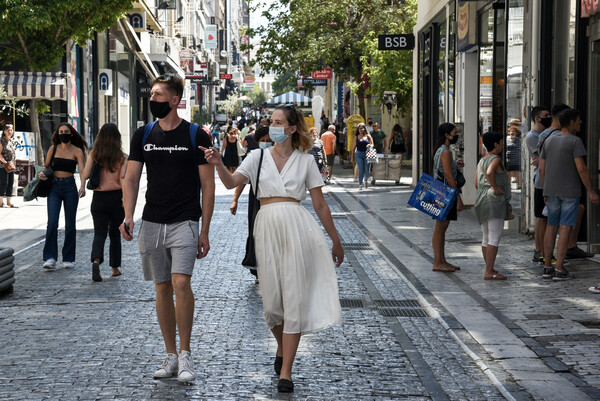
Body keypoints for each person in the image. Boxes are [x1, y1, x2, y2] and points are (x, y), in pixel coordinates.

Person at [200, 104, 343, 393]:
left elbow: (319, 204)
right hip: (265, 227)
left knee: (294, 299)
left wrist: (335, 239)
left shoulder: (305, 161)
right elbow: (231, 183)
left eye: (279, 122)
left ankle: (286, 372)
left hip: (297, 227)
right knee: (272, 305)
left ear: (292, 128)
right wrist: (217, 164)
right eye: (271, 121)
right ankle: (282, 348)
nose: (273, 125)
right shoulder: (257, 156)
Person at [120, 74, 215, 383]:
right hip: (152, 221)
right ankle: (171, 355)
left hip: (185, 220)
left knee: (180, 284)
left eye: (159, 95)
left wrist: (205, 230)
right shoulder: (142, 134)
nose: (153, 99)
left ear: (175, 100)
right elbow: (131, 178)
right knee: (161, 286)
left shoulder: (196, 135)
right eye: (152, 94)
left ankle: (186, 355)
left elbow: (208, 185)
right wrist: (128, 215)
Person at [539, 108, 599, 281]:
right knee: (565, 227)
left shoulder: (549, 141)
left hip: (551, 190)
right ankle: (559, 268)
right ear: (571, 122)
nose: (581, 123)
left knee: (551, 226)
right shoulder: (575, 141)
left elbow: (542, 168)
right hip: (569, 191)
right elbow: (581, 169)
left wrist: (545, 189)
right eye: (579, 120)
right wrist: (591, 191)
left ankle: (547, 266)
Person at [82, 123, 128, 282]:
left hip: (99, 199)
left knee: (99, 233)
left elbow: (86, 174)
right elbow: (123, 179)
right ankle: (115, 268)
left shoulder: (95, 154)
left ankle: (96, 260)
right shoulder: (122, 156)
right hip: (116, 198)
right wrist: (125, 199)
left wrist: (82, 185)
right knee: (115, 234)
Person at [40, 123, 88, 269]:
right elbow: (46, 166)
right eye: (61, 131)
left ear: (71, 133)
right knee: (52, 222)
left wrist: (82, 186)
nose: (63, 134)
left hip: (69, 187)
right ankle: (50, 257)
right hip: (54, 186)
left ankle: (68, 258)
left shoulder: (77, 151)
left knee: (70, 224)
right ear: (57, 133)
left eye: (66, 131)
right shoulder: (53, 149)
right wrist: (42, 174)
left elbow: (82, 169)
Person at [230, 126, 273, 281]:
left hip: (274, 200)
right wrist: (235, 200)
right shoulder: (255, 157)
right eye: (263, 141)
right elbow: (241, 180)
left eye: (269, 141)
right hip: (256, 199)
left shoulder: (280, 158)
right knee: (256, 234)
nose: (267, 143)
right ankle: (259, 270)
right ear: (258, 141)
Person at [474, 131, 511, 280]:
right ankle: (489, 271)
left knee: (486, 237)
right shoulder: (496, 158)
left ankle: (489, 268)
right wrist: (495, 188)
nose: (503, 145)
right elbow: (490, 172)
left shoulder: (482, 160)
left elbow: (476, 183)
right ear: (496, 144)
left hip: (481, 199)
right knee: (494, 237)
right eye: (501, 142)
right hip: (494, 201)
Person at [431, 123, 464, 272]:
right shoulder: (445, 151)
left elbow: (446, 170)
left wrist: (455, 165)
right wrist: (458, 197)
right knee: (440, 228)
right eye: (454, 133)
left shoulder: (441, 150)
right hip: (445, 192)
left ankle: (442, 260)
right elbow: (449, 176)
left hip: (440, 190)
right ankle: (438, 262)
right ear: (446, 134)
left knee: (441, 228)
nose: (455, 136)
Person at [524, 106, 551, 263]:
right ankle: (539, 250)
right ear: (537, 118)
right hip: (540, 179)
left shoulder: (545, 134)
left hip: (547, 178)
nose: (549, 117)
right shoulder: (532, 136)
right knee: (541, 217)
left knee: (545, 218)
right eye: (546, 115)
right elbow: (539, 159)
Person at [351, 123, 373, 190]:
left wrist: (369, 145)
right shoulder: (356, 137)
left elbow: (372, 144)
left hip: (367, 154)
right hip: (358, 154)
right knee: (361, 169)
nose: (361, 129)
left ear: (364, 129)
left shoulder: (368, 135)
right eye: (359, 128)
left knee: (367, 170)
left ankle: (365, 180)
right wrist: (352, 157)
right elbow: (353, 147)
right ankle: (360, 183)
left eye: (362, 128)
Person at [0, 123, 17, 208]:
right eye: (8, 130)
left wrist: (11, 163)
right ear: (4, 131)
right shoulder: (1, 141)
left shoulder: (10, 141)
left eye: (11, 130)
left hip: (11, 166)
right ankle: (1, 202)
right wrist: (6, 163)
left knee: (11, 183)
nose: (10, 131)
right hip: (3, 166)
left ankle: (9, 202)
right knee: (4, 183)